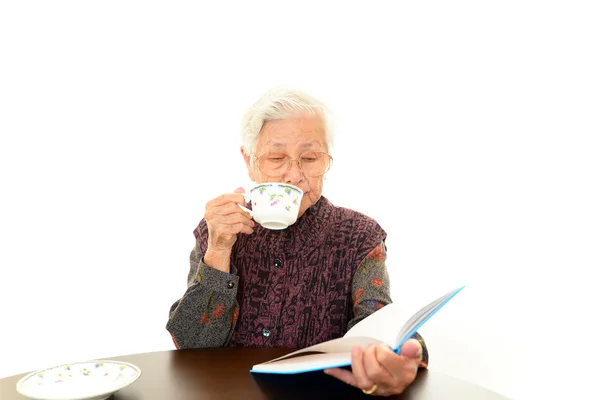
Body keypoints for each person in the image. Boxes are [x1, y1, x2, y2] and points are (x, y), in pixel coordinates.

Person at [166, 87, 428, 396]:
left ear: (326, 161)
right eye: (277, 157)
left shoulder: (359, 236)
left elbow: (379, 325)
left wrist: (396, 358)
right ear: (249, 162)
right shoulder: (219, 229)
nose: (293, 174)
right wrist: (219, 251)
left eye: (309, 158)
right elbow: (190, 345)